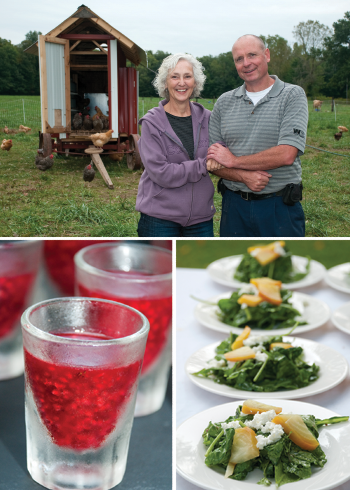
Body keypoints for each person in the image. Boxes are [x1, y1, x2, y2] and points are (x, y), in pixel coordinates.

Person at [207, 34, 308, 237]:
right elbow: (212, 161)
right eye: (239, 59)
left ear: (267, 55)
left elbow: (287, 153)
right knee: (235, 263)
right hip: (234, 206)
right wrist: (243, 176)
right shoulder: (224, 102)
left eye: (252, 55)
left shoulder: (292, 95)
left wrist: (234, 161)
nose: (246, 63)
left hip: (279, 206)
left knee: (282, 265)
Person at [136, 53, 215, 237]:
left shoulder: (208, 118)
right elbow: (161, 173)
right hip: (159, 218)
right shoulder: (151, 123)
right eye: (174, 77)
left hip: (201, 218)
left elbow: (222, 151)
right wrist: (203, 165)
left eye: (187, 76)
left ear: (195, 82)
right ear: (165, 83)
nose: (182, 83)